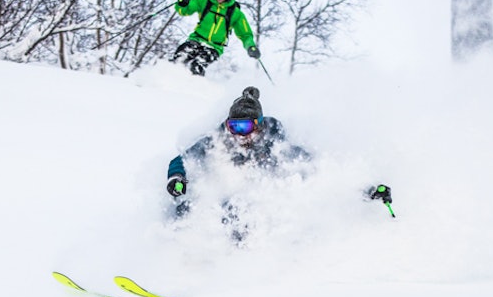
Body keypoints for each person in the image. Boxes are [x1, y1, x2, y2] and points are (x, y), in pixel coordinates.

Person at [165, 86, 393, 241]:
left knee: (242, 208)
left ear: (259, 125)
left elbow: (323, 173)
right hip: (223, 197)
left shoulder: (278, 147)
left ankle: (244, 262)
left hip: (259, 205)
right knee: (187, 205)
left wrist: (368, 190)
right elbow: (183, 159)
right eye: (234, 127)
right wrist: (177, 178)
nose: (239, 135)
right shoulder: (219, 140)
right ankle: (179, 254)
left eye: (244, 128)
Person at [170, 0, 260, 76]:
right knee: (180, 58)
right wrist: (183, 2)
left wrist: (250, 47)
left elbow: (245, 34)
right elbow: (184, 11)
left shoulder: (235, 13)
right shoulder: (203, 2)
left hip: (214, 47)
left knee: (197, 65)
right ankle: (165, 82)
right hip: (196, 40)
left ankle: (194, 86)